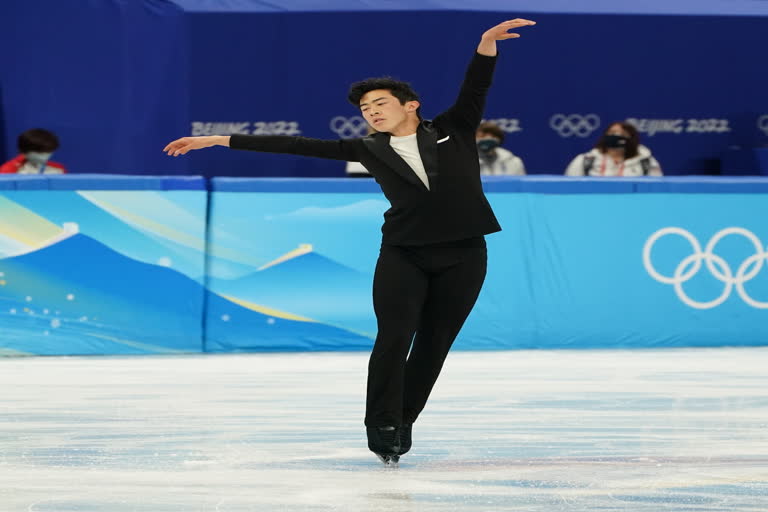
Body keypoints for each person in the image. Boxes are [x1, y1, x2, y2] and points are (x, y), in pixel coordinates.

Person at [163, 18, 536, 464]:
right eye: (365, 108)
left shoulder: (453, 128)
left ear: (411, 105)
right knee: (395, 336)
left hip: (465, 252)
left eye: (380, 103)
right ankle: (380, 423)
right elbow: (294, 146)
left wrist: (485, 46)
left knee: (434, 343)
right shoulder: (366, 149)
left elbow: (476, 88)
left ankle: (404, 419)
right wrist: (218, 139)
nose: (372, 112)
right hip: (404, 253)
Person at [565, 121, 662, 177]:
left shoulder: (647, 163)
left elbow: (656, 191)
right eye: (612, 132)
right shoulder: (585, 160)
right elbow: (570, 188)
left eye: (622, 134)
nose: (616, 136)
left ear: (631, 139)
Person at [0, 129, 67, 175]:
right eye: (39, 153)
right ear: (24, 152)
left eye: (48, 151)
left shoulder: (58, 169)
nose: (45, 156)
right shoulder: (7, 170)